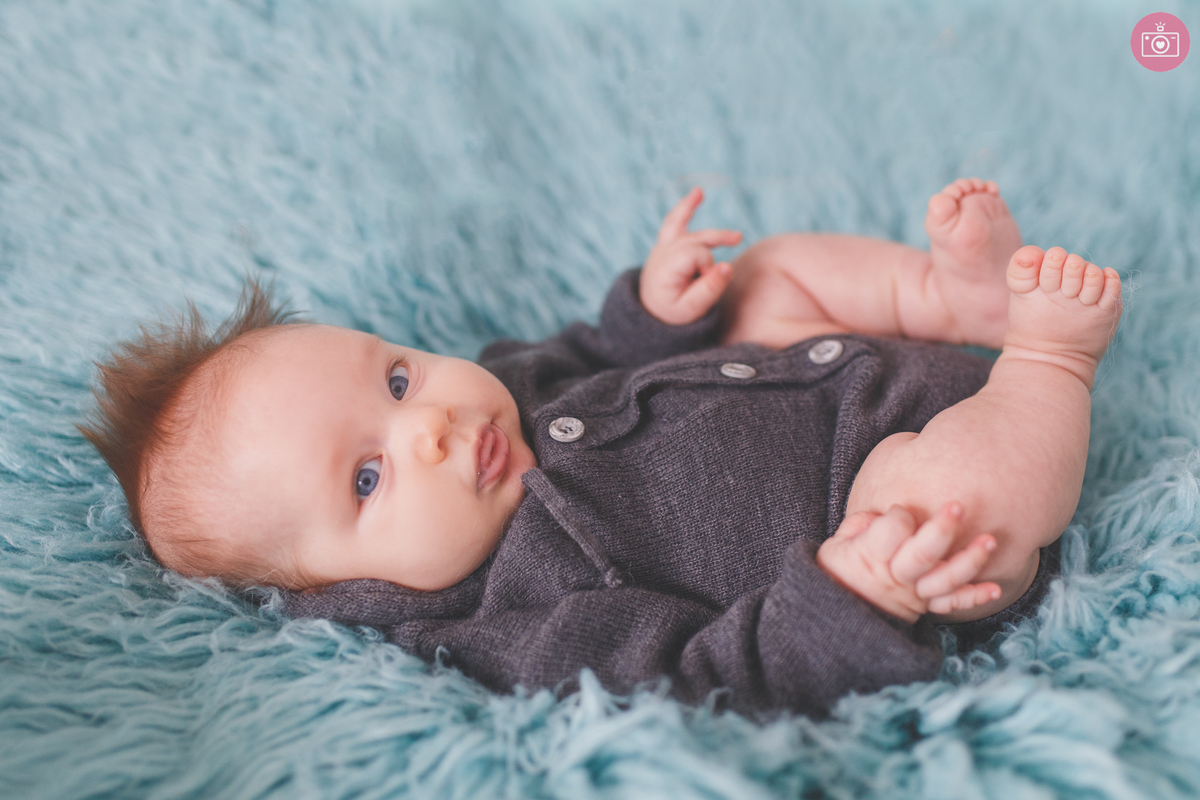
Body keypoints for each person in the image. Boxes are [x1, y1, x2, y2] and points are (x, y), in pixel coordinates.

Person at [80, 179, 1122, 715]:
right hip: (870, 500)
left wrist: (655, 313)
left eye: (397, 376)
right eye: (368, 475)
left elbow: (581, 350)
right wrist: (846, 600)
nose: (433, 423)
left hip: (812, 361)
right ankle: (1047, 363)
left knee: (767, 275)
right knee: (943, 511)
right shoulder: (524, 626)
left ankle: (948, 297)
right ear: (341, 591)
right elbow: (698, 682)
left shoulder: (504, 398)